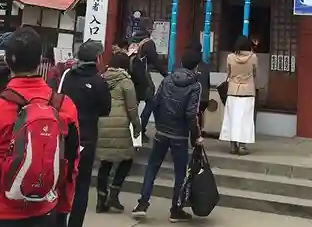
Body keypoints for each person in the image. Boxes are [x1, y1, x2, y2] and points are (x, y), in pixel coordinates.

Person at [0, 27, 80, 227]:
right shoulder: (64, 106)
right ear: (40, 60)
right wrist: (63, 209)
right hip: (45, 212)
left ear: (6, 61)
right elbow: (71, 165)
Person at [131, 48, 203, 222]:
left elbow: (155, 102)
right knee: (180, 173)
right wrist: (196, 138)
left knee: (152, 168)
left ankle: (142, 203)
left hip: (162, 131)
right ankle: (175, 209)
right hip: (180, 134)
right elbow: (191, 114)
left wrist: (159, 123)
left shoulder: (168, 79)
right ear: (196, 65)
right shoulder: (195, 85)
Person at [50, 39, 111, 227]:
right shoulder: (99, 82)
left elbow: (57, 100)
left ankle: (58, 222)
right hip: (87, 138)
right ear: (97, 58)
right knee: (81, 186)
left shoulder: (68, 75)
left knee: (61, 182)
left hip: (65, 135)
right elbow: (105, 109)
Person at [96, 52, 141, 214]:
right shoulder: (126, 81)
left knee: (105, 162)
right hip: (120, 125)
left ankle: (101, 199)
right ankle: (113, 194)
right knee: (127, 159)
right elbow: (132, 108)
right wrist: (137, 126)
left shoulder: (101, 78)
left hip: (102, 123)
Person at [128, 17, 167, 142]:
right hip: (143, 78)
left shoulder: (132, 41)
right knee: (151, 102)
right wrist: (166, 74)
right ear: (148, 28)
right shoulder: (148, 43)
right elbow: (156, 62)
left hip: (130, 77)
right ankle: (140, 130)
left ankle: (131, 130)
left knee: (132, 104)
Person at [219, 35, 258, 156]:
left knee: (232, 118)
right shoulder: (253, 57)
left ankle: (232, 145)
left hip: (233, 91)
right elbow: (255, 73)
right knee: (245, 120)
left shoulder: (230, 57)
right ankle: (242, 146)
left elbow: (228, 73)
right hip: (247, 92)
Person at [186, 39, 210, 131]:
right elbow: (207, 83)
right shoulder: (206, 65)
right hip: (203, 99)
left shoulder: (187, 64)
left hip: (192, 98)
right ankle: (197, 135)